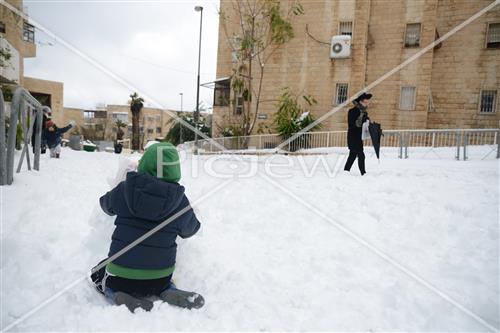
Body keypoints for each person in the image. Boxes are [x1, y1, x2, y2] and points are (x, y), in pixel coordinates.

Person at [90, 142, 201, 311]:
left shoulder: (126, 188)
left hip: (122, 275)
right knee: (160, 278)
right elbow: (191, 230)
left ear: (145, 163)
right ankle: (167, 290)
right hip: (160, 276)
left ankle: (115, 293)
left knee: (98, 272)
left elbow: (105, 205)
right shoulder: (180, 200)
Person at [344, 92, 372, 175]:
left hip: (359, 137)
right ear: (360, 102)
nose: (367, 104)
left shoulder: (364, 113)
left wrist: (369, 123)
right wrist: (362, 122)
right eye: (365, 102)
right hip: (353, 137)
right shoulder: (352, 111)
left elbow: (366, 123)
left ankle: (346, 171)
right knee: (361, 155)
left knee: (352, 155)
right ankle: (363, 173)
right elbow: (352, 125)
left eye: (368, 102)